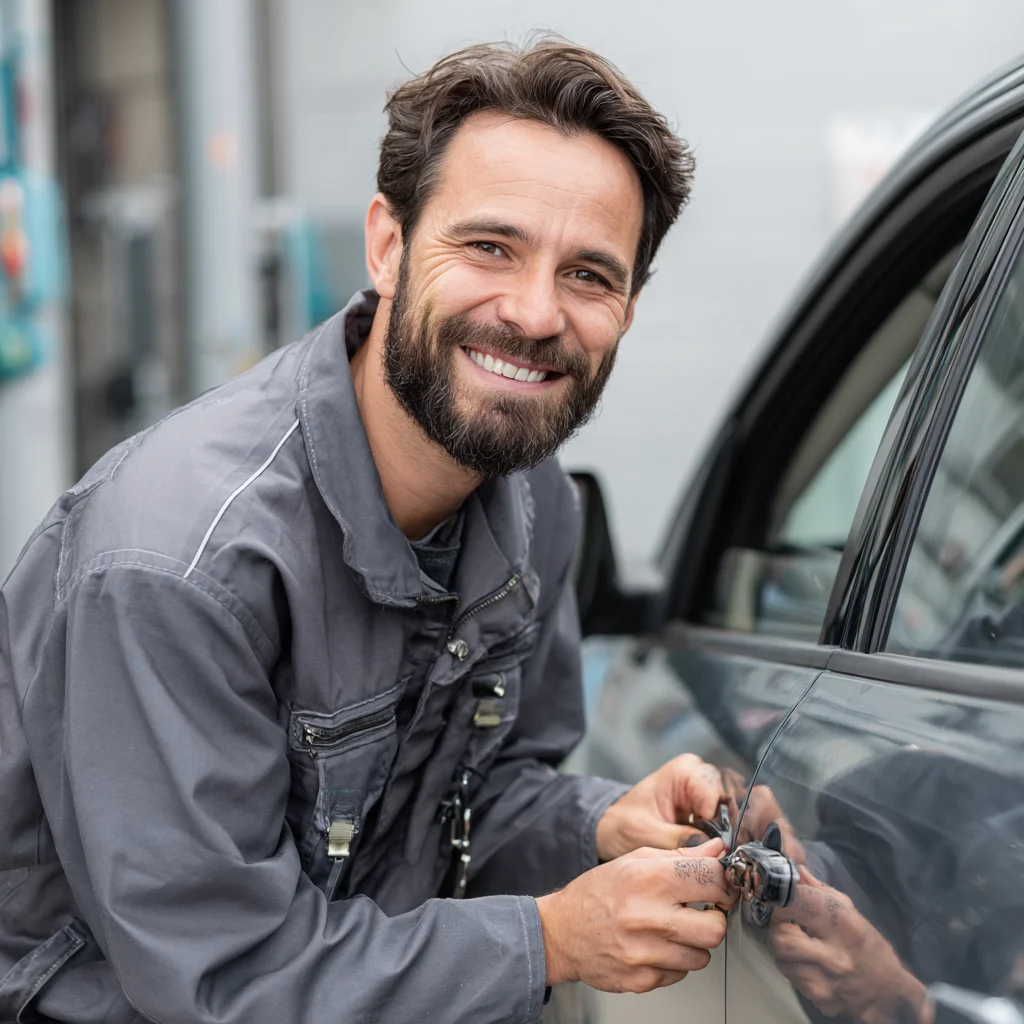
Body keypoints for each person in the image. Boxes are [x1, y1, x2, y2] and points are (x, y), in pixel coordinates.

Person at [0, 38, 734, 1024]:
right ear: (388, 246)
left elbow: (467, 804)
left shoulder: (534, 501)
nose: (533, 312)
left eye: (589, 275)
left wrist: (600, 825)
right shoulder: (180, 562)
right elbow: (222, 977)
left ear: (629, 308)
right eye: (490, 247)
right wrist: (553, 938)